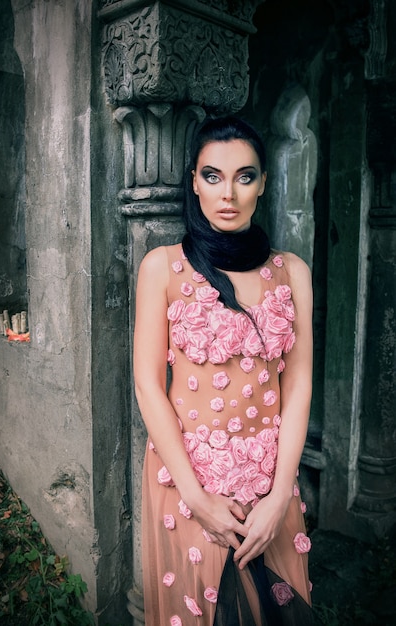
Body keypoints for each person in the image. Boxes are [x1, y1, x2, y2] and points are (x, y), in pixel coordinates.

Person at [134, 115, 314, 625]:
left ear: (262, 183)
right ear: (193, 181)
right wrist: (198, 498)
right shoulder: (162, 267)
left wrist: (280, 495)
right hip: (188, 484)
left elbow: (297, 387)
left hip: (270, 486)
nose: (228, 193)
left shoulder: (292, 272)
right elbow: (148, 385)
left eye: (244, 176)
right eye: (212, 176)